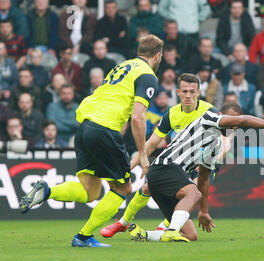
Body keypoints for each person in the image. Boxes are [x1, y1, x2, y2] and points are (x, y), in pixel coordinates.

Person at [19, 35, 163, 248]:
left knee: (90, 192)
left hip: (86, 127)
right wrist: (143, 153)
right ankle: (84, 237)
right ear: (158, 56)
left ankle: (48, 191)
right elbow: (138, 116)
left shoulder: (122, 66)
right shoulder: (148, 75)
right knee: (123, 189)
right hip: (105, 130)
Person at [127, 101, 264, 243]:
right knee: (192, 194)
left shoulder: (215, 147)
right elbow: (243, 120)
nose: (234, 128)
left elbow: (203, 179)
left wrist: (204, 211)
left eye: (235, 128)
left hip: (163, 179)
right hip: (165, 166)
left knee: (191, 235)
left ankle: (144, 235)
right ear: (224, 117)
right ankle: (171, 229)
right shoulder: (208, 118)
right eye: (233, 123)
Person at [100, 73, 221, 240]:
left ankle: (166, 226)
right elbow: (150, 144)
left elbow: (222, 139)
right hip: (180, 162)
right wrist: (129, 168)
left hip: (203, 163)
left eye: (192, 92)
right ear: (177, 92)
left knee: (193, 190)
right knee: (148, 187)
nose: (188, 95)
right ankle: (123, 223)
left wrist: (209, 160)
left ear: (198, 93)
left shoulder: (209, 111)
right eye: (184, 91)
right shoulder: (172, 114)